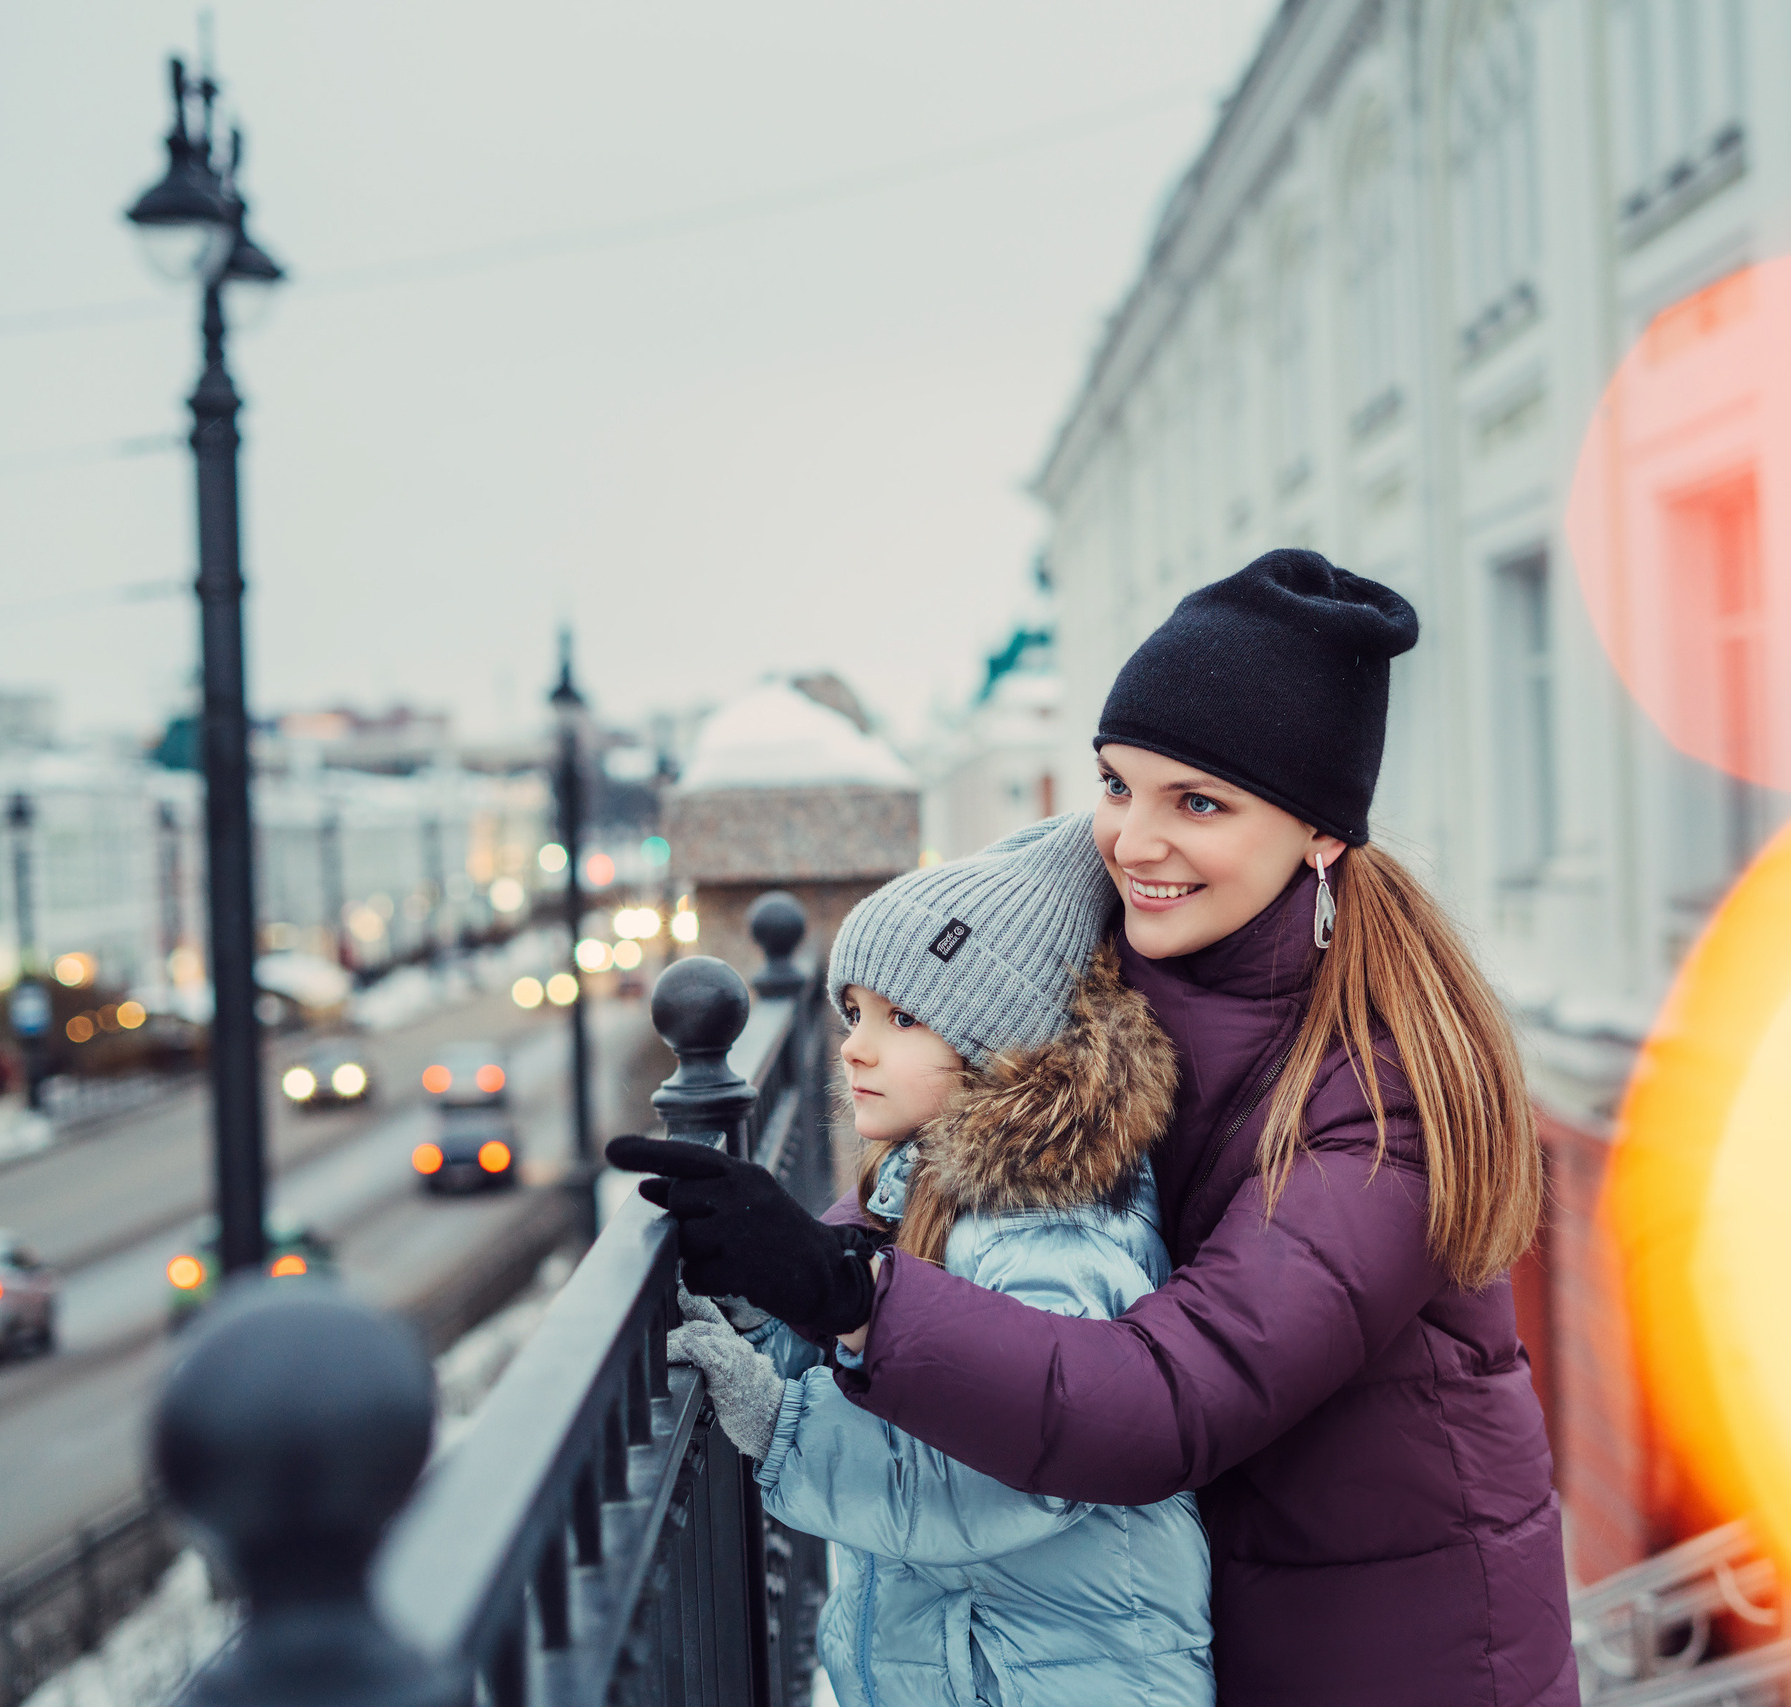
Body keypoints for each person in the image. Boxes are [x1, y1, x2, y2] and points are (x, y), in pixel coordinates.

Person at [618, 549, 1578, 1706]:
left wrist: (848, 1292)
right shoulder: (1109, 971)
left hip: (1391, 1651)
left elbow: (1167, 1397)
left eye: (1199, 802)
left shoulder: (1384, 1093)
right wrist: (796, 1255)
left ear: (1320, 833)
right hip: (1215, 1625)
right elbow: (970, 1154)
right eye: (1118, 784)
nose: (1132, 840)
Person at [615, 813, 1213, 1707]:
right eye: (855, 1011)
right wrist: (757, 1306)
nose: (855, 1043)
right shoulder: (929, 1184)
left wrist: (781, 1423)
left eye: (903, 1017)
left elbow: (1021, 1468)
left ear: (998, 1046)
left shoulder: (1044, 1218)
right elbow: (883, 1357)